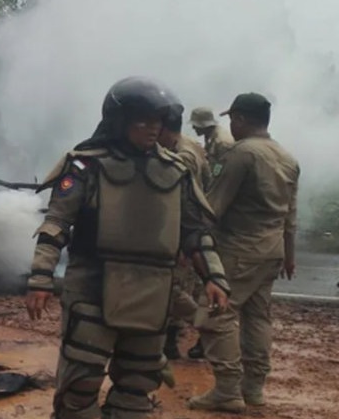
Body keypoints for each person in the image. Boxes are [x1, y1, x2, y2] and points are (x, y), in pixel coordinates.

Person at [25, 77, 230, 419]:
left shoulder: (176, 171)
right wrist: (40, 278)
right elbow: (56, 223)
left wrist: (215, 277)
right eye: (144, 120)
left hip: (152, 295)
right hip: (92, 289)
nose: (153, 128)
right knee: (79, 388)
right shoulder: (85, 165)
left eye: (158, 121)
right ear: (120, 120)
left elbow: (195, 232)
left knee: (137, 389)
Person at [189, 93, 299, 412]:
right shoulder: (287, 157)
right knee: (257, 318)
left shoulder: (241, 154)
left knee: (213, 314)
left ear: (240, 119)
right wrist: (289, 256)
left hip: (239, 249)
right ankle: (253, 388)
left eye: (232, 119)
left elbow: (213, 206)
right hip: (272, 250)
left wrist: (191, 240)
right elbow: (290, 215)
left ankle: (226, 389)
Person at [158, 104, 214, 360]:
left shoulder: (183, 156)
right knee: (180, 287)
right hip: (192, 229)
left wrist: (182, 243)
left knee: (174, 289)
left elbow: (183, 202)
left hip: (185, 230)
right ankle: (174, 340)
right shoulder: (190, 146)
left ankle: (211, 330)